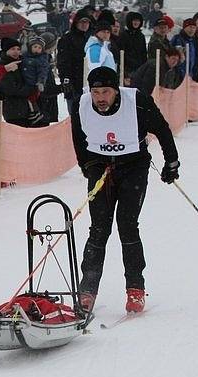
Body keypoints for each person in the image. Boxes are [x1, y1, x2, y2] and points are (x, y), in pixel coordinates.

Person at [71, 67, 179, 314]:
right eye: (96, 91)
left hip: (133, 167)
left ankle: (135, 289)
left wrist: (171, 162)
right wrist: (86, 165)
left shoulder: (136, 100)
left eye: (105, 91)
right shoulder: (82, 104)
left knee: (127, 225)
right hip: (101, 167)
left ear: (116, 90)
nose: (100, 97)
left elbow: (162, 129)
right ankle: (87, 290)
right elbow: (78, 137)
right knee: (99, 228)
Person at [0, 37, 46, 128]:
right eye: (12, 49)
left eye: (18, 49)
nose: (16, 52)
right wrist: (32, 89)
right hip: (14, 111)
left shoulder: (23, 63)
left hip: (27, 109)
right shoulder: (2, 67)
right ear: (6, 51)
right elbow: (10, 89)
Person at [56, 8, 92, 115]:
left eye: (87, 22)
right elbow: (63, 61)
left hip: (90, 81)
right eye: (82, 22)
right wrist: (65, 78)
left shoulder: (92, 39)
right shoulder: (67, 39)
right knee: (75, 114)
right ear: (76, 23)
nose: (84, 25)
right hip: (73, 81)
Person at [117, 11, 147, 85]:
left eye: (138, 21)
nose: (136, 23)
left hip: (139, 69)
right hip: (127, 69)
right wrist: (124, 73)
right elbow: (121, 54)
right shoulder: (123, 35)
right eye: (134, 20)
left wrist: (144, 68)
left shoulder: (141, 36)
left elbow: (143, 53)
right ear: (130, 21)